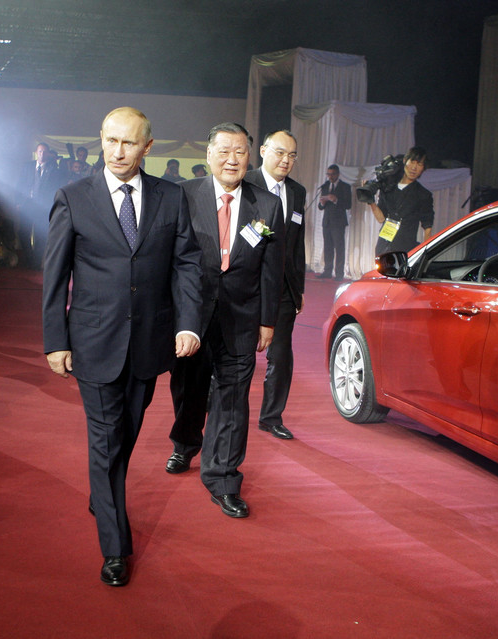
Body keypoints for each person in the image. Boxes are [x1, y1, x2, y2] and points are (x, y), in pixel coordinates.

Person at [42, 107, 203, 587]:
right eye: (110, 140)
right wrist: (55, 340)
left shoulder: (170, 198)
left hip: (151, 342)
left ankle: (102, 488)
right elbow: (56, 275)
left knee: (125, 432)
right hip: (93, 340)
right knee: (106, 437)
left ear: (147, 147)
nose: (117, 151)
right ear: (100, 140)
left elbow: (187, 264)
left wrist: (189, 323)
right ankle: (115, 546)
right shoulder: (73, 197)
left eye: (128, 143)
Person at [165, 122, 284, 519]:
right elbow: (168, 260)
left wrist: (267, 319)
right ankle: (185, 442)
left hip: (242, 315)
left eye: (240, 152)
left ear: (250, 157)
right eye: (224, 151)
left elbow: (271, 267)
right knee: (189, 386)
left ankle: (224, 477)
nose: (232, 159)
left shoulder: (266, 205)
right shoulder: (182, 195)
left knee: (233, 397)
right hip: (191, 313)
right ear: (209, 154)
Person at [245, 130, 305, 440]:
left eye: (292, 155)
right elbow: (244, 234)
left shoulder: (297, 192)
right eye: (280, 152)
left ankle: (271, 416)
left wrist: (300, 287)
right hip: (246, 284)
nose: (286, 160)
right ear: (264, 150)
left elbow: (297, 244)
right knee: (234, 355)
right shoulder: (246, 182)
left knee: (281, 355)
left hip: (283, 288)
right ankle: (221, 407)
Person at [368, 146, 434, 255]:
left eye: (419, 164)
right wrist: (371, 202)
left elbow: (427, 225)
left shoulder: (423, 194)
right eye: (412, 162)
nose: (414, 168)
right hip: (384, 243)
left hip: (405, 247)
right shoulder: (389, 188)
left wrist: (424, 252)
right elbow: (381, 219)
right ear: (405, 161)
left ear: (423, 168)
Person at [16, 142, 63, 268]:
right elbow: (20, 184)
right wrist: (18, 202)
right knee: (23, 232)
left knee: (40, 235)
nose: (42, 154)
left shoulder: (53, 170)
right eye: (40, 151)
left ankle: (36, 263)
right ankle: (29, 259)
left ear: (48, 154)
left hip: (42, 207)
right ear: (36, 152)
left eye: (44, 152)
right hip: (27, 204)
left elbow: (55, 189)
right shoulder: (28, 166)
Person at [318, 164, 351, 280]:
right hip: (327, 221)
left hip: (338, 222)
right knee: (328, 247)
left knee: (339, 248)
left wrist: (336, 200)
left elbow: (348, 204)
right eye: (328, 174)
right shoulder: (325, 186)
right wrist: (322, 203)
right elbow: (320, 207)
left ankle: (339, 274)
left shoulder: (345, 187)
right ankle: (327, 271)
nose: (330, 177)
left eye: (332, 174)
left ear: (337, 174)